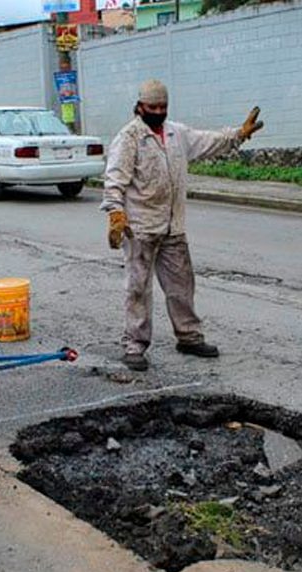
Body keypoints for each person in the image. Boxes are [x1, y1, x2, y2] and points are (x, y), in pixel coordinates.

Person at [100, 79, 264, 372]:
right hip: (140, 228)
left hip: (173, 227)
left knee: (182, 286)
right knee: (138, 288)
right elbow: (115, 180)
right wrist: (115, 213)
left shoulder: (177, 134)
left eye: (163, 106)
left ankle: (188, 336)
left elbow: (209, 141)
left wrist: (238, 135)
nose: (159, 111)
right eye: (153, 107)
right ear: (140, 107)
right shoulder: (129, 138)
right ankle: (134, 345)